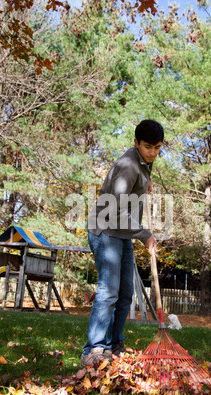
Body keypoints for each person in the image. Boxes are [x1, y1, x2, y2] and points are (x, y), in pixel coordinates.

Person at [81, 119, 164, 367]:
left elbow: (135, 184)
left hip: (122, 232)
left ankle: (114, 345)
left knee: (125, 293)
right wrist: (145, 234)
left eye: (158, 147)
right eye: (148, 147)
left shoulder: (144, 163)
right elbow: (114, 210)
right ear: (136, 142)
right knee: (109, 291)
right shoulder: (128, 166)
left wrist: (144, 183)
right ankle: (94, 349)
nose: (153, 152)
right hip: (106, 228)